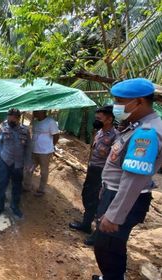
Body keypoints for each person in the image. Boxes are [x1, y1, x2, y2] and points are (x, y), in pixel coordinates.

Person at [92, 78, 162, 280]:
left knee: (107, 247)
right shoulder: (137, 124)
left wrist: (115, 214)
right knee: (110, 245)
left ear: (139, 102)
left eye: (119, 100)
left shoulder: (146, 133)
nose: (116, 106)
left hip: (124, 198)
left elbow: (134, 178)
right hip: (116, 193)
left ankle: (113, 277)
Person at [69, 106, 117, 246]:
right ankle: (86, 224)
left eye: (99, 119)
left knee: (100, 202)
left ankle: (98, 234)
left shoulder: (115, 136)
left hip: (103, 173)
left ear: (109, 119)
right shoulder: (99, 132)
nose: (96, 121)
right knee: (87, 196)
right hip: (93, 170)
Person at [0, 108, 32, 218]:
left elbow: (28, 148)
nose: (9, 121)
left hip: (18, 164)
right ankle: (0, 206)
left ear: (18, 119)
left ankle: (15, 207)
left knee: (17, 187)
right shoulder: (3, 128)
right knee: (1, 186)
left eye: (12, 119)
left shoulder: (25, 130)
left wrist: (28, 163)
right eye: (8, 119)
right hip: (4, 161)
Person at [24, 110, 59, 196]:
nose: (34, 112)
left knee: (43, 172)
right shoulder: (35, 122)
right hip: (34, 150)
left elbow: (56, 136)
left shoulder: (50, 121)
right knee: (29, 169)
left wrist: (51, 146)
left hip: (45, 152)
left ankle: (41, 190)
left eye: (36, 110)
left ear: (42, 111)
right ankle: (27, 186)